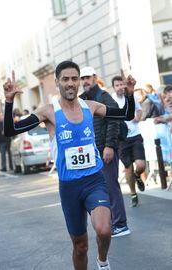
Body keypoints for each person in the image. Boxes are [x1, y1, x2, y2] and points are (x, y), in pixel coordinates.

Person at [3, 61, 135, 270]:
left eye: (75, 78)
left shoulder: (90, 107)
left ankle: (102, 262)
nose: (71, 83)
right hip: (69, 187)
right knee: (80, 246)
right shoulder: (48, 111)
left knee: (104, 230)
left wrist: (129, 95)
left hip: (94, 181)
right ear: (57, 82)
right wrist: (9, 102)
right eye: (65, 79)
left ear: (79, 81)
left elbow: (125, 114)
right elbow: (11, 130)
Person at [79, 67, 130, 238]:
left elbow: (115, 121)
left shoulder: (104, 96)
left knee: (110, 186)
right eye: (82, 78)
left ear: (95, 78)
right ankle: (111, 223)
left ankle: (121, 224)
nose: (85, 81)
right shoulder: (82, 99)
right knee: (99, 188)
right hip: (91, 151)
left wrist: (109, 146)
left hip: (105, 149)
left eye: (88, 77)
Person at [111, 75, 146, 207]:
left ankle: (138, 175)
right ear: (114, 87)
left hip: (135, 135)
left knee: (141, 165)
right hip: (122, 139)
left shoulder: (131, 96)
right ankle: (133, 194)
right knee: (128, 168)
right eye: (117, 85)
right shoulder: (112, 100)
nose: (120, 87)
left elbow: (139, 110)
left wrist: (138, 117)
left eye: (122, 85)